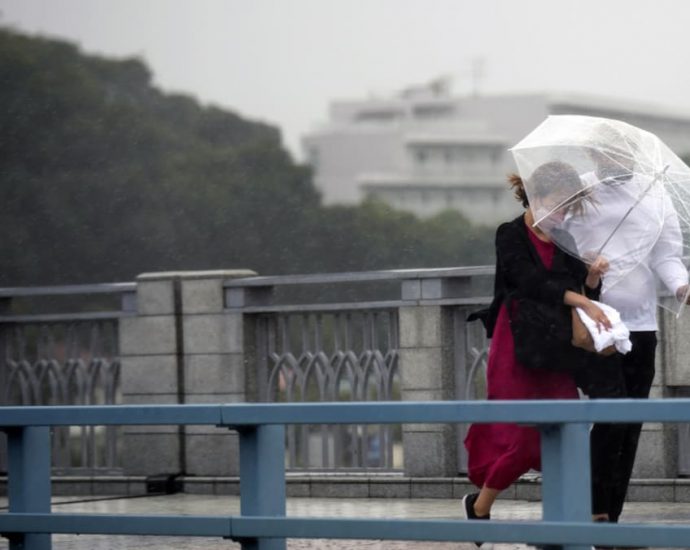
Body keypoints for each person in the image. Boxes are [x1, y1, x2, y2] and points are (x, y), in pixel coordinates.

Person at [462, 161, 610, 534]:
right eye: (559, 203)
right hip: (516, 346)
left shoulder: (568, 242)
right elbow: (528, 282)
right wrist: (582, 299)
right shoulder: (509, 234)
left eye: (570, 206)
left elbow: (580, 294)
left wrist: (591, 281)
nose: (563, 213)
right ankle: (481, 505)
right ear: (536, 196)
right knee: (523, 436)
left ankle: (577, 513)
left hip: (555, 349)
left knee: (568, 427)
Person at [564, 140, 690, 528]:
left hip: (641, 326)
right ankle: (590, 507)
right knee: (609, 415)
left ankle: (608, 516)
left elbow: (666, 255)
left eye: (622, 152)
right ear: (594, 154)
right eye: (606, 152)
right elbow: (556, 243)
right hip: (594, 324)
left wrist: (682, 284)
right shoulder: (579, 191)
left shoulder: (654, 195)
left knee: (630, 422)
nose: (614, 159)